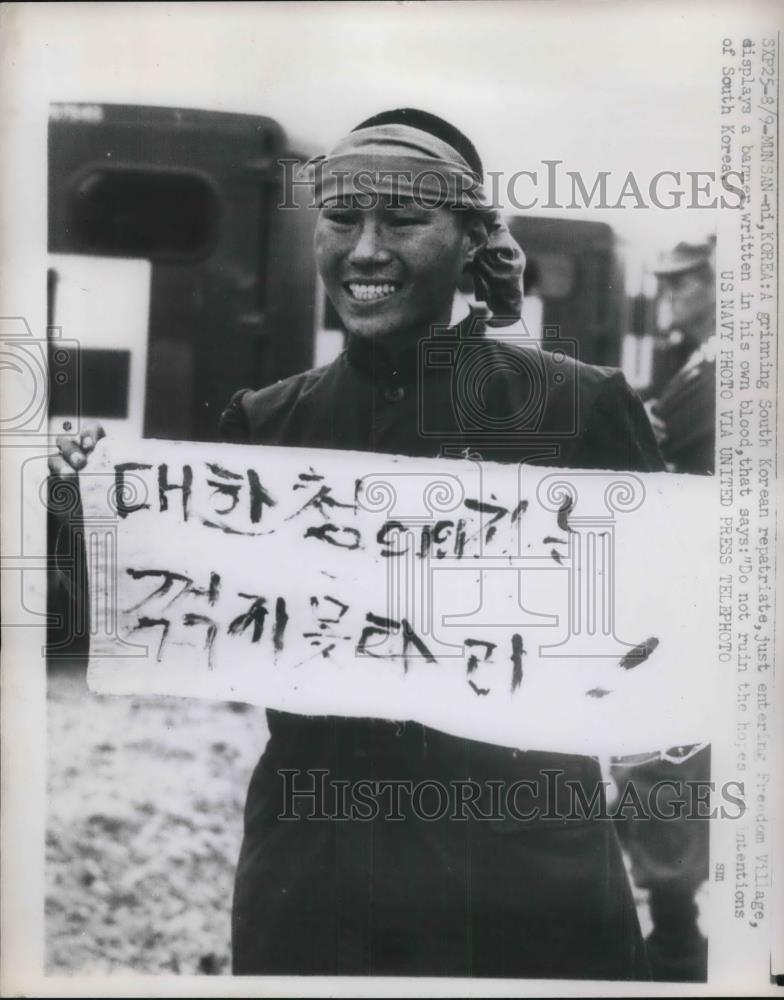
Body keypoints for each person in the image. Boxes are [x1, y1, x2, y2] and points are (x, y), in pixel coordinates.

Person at [51, 108, 664, 980]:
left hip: (524, 879)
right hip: (316, 875)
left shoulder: (578, 409)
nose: (365, 249)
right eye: (342, 218)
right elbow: (162, 622)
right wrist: (87, 510)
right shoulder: (266, 424)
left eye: (404, 219)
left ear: (470, 241)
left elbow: (663, 643)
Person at [645, 239, 716, 475]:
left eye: (678, 285)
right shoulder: (699, 353)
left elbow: (666, 437)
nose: (667, 296)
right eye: (665, 287)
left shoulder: (721, 364)